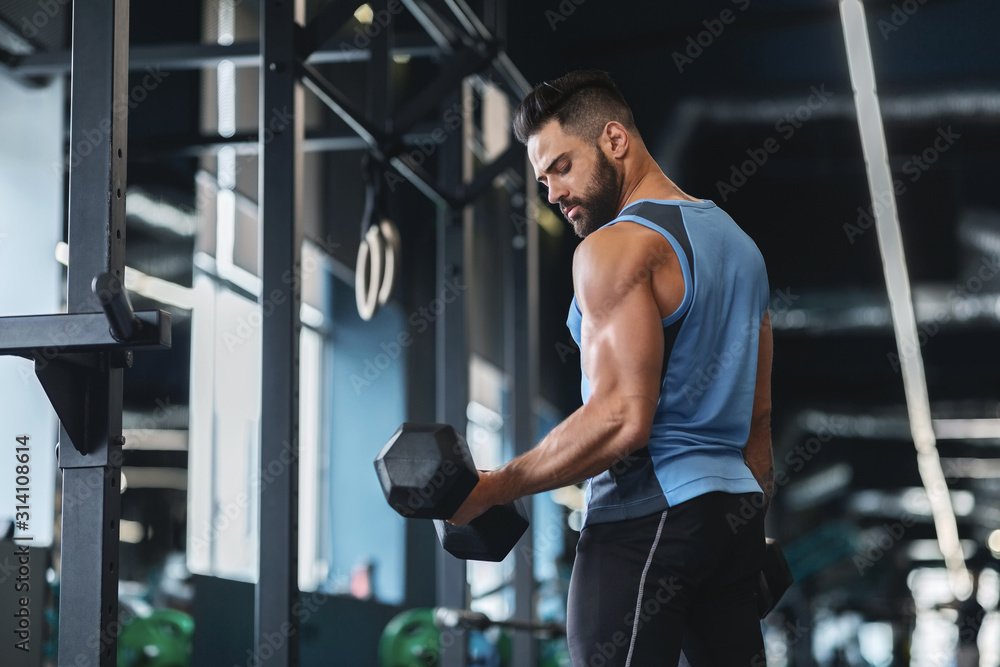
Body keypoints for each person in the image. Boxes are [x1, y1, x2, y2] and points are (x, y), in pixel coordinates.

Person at [449, 70, 774, 666]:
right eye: (542, 178)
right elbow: (758, 418)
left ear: (615, 140)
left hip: (646, 514)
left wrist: (497, 486)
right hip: (733, 517)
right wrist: (750, 530)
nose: (552, 193)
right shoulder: (741, 248)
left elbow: (622, 418)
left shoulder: (614, 246)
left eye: (563, 167)